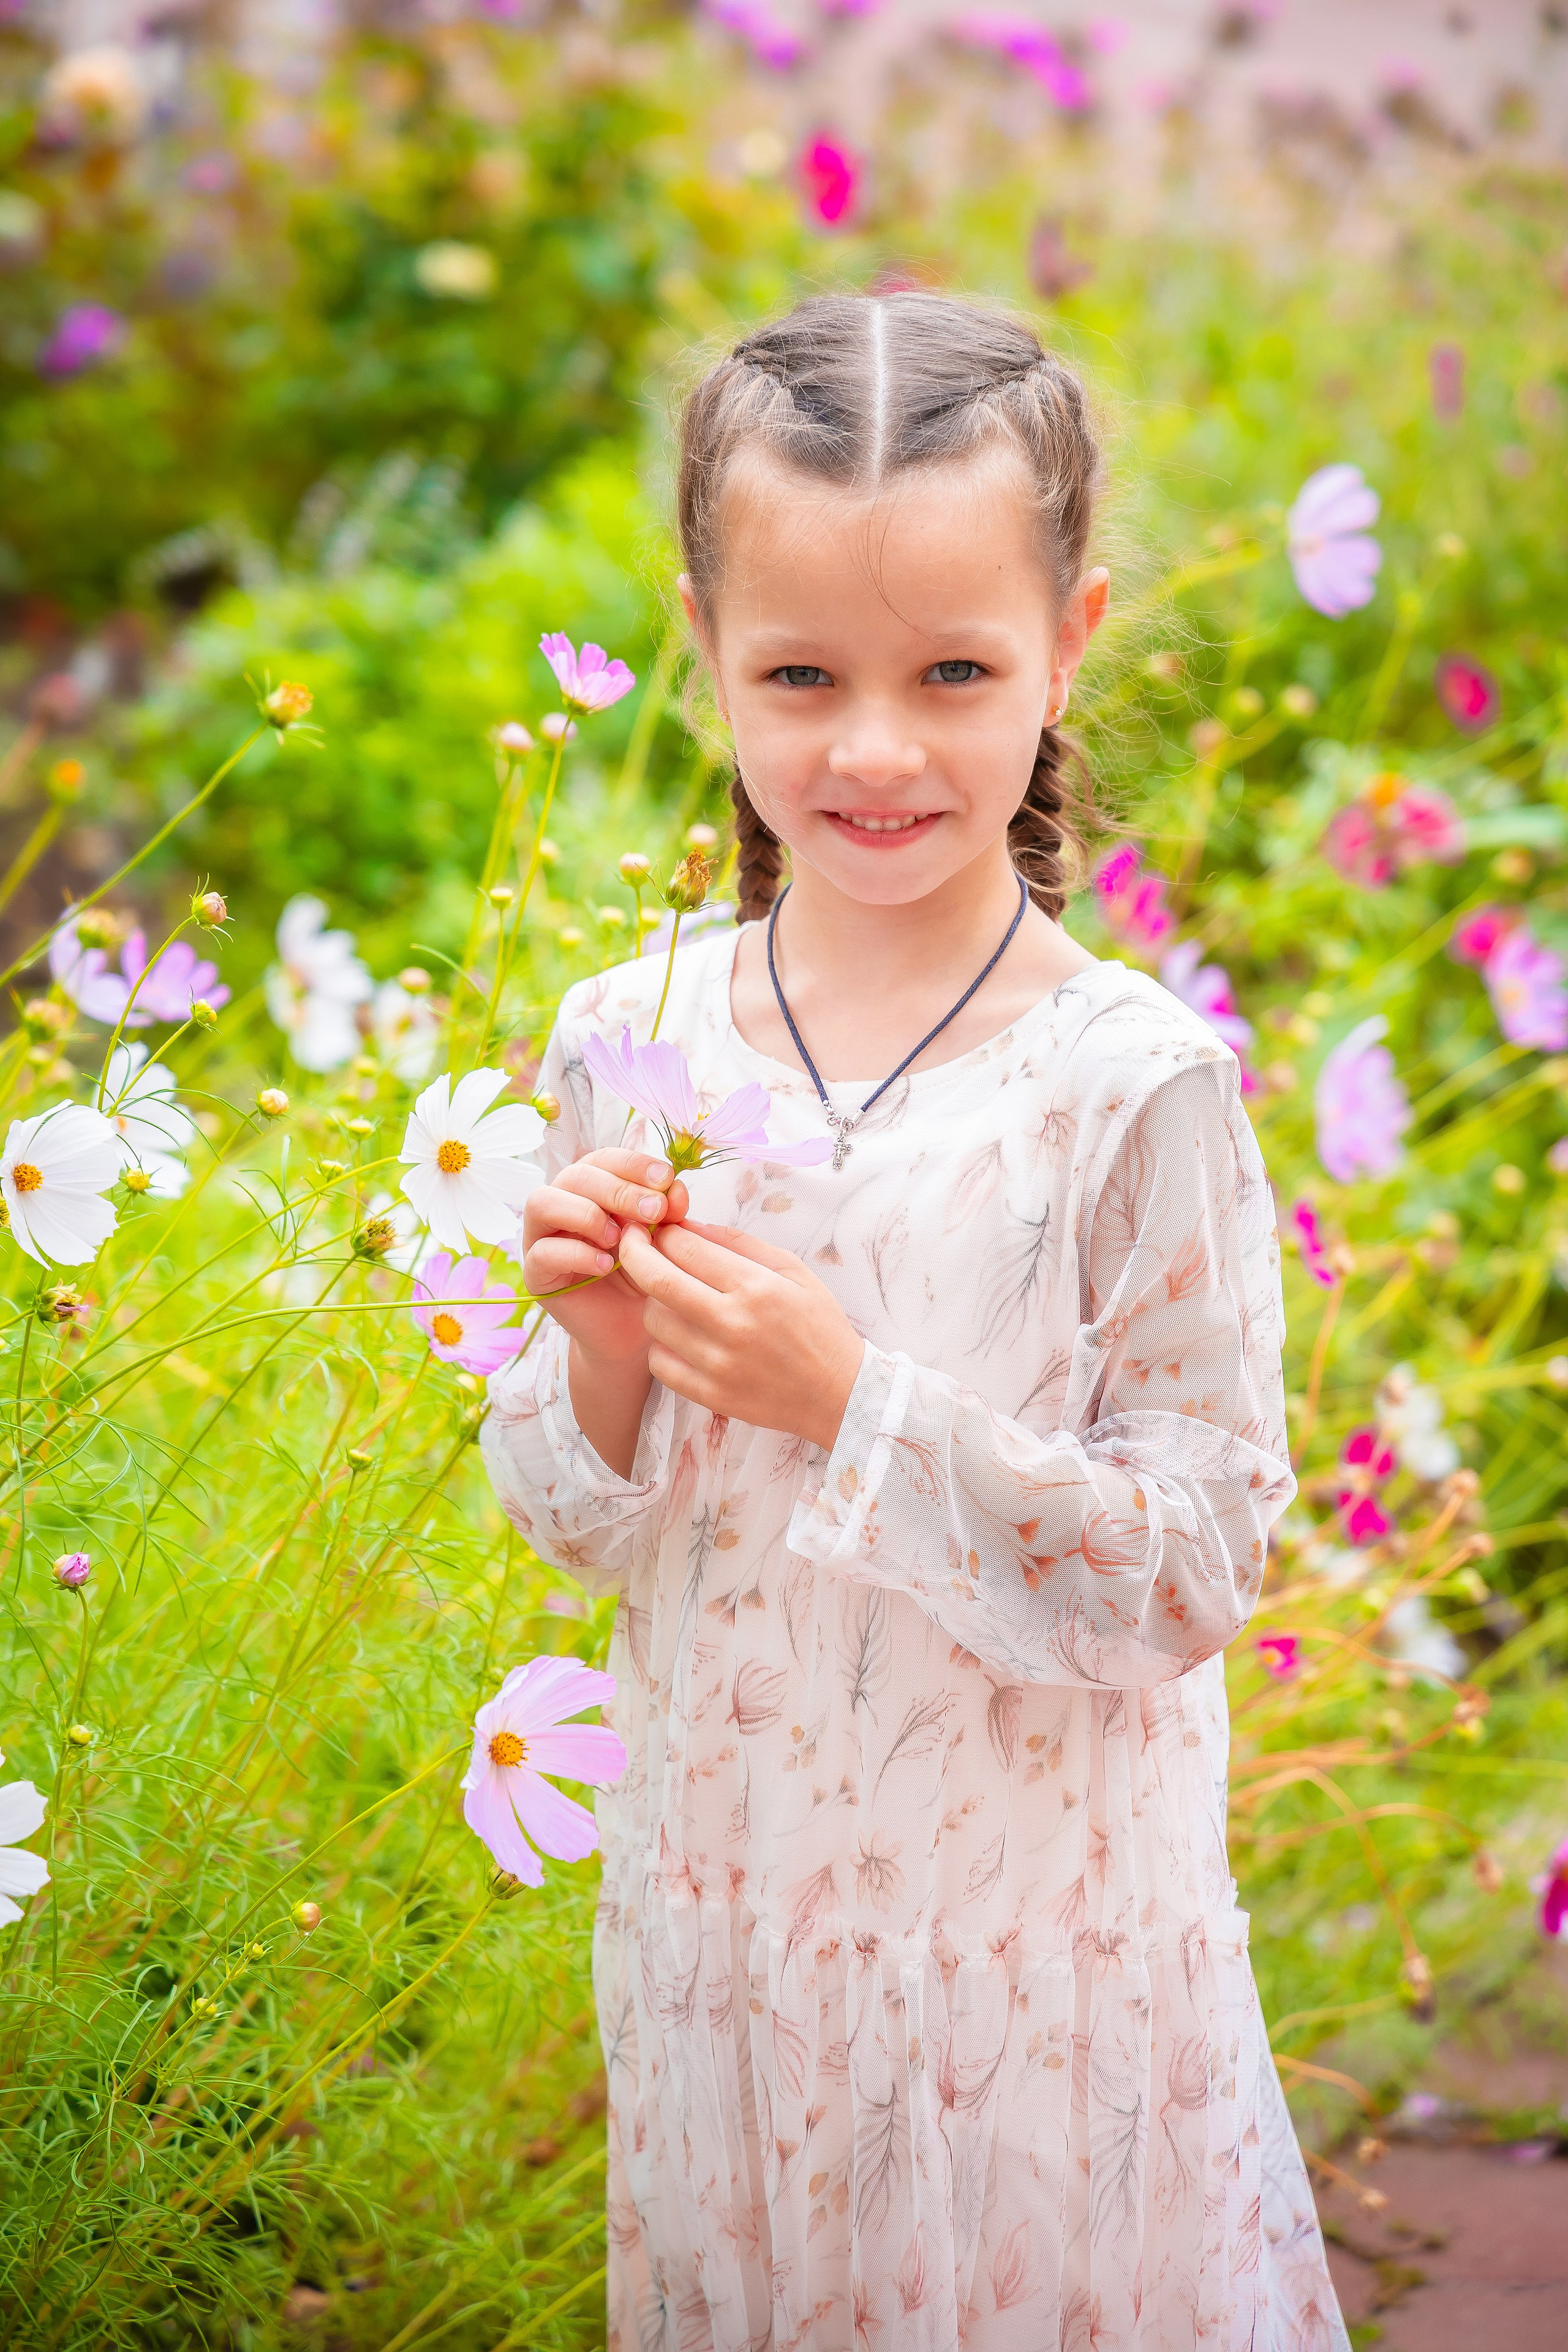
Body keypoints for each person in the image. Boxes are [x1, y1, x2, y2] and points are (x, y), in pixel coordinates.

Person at [482, 292, 1348, 2352]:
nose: (875, 748)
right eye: (802, 674)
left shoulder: (1128, 1079)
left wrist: (852, 1401)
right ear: (704, 646)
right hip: (733, 1938)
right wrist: (603, 1338)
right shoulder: (636, 1033)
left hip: (1035, 1961)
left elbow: (1201, 1553)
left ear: (1073, 641)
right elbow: (579, 1521)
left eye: (955, 671)